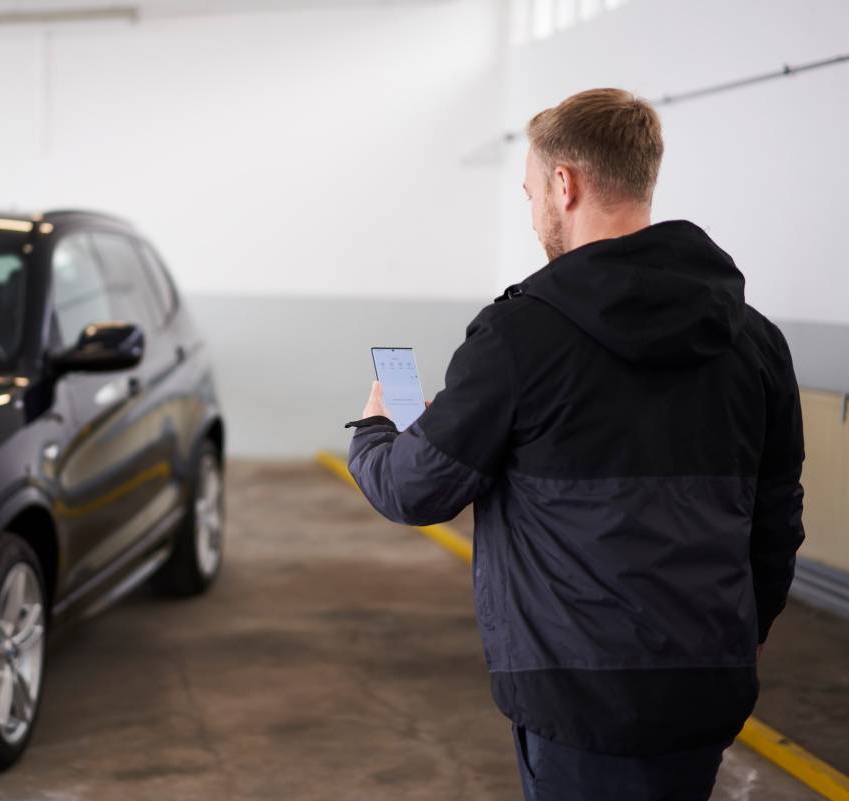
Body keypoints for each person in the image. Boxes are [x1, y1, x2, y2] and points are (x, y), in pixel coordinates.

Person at [344, 88, 805, 801]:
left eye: (530, 192)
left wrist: (376, 430)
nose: (533, 215)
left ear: (565, 184)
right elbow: (776, 514)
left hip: (577, 693)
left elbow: (415, 488)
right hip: (706, 686)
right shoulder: (755, 339)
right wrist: (747, 631)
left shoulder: (518, 337)